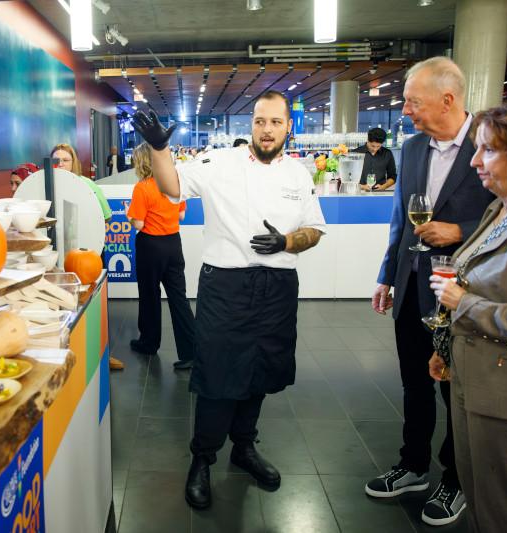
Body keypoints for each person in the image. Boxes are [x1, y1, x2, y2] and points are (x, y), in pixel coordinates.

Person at [134, 90, 326, 509]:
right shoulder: (220, 161)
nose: (267, 129)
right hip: (225, 286)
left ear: (288, 126)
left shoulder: (298, 174)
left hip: (276, 290)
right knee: (217, 377)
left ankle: (244, 447)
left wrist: (287, 241)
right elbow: (172, 186)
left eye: (275, 121)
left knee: (260, 372)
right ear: (251, 125)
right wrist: (160, 148)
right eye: (260, 121)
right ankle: (202, 459)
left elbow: (314, 230)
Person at [368, 57, 494, 526]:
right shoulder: (414, 147)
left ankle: (456, 480)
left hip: (462, 293)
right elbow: (401, 222)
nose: (405, 111)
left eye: (413, 102)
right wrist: (387, 277)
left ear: (448, 100)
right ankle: (413, 464)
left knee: (455, 393)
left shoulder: (489, 147)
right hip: (412, 285)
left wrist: (459, 230)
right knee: (414, 384)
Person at [427, 101, 507, 533]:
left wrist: (464, 304)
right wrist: (447, 349)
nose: (474, 162)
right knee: (482, 501)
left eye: (487, 150)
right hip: (474, 381)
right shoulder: (501, 208)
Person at [50, 143, 122, 370]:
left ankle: (101, 355)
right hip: (54, 258)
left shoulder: (88, 185)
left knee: (92, 306)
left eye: (65, 160)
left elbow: (107, 217)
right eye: (56, 160)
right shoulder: (45, 187)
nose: (60, 164)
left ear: (74, 163)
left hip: (86, 256)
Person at [126, 142, 195, 370]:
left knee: (150, 296)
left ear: (142, 162)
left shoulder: (142, 188)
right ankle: (191, 352)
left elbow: (139, 223)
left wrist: (130, 215)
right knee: (179, 298)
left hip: (150, 246)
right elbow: (182, 215)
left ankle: (149, 343)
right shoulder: (174, 183)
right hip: (174, 244)